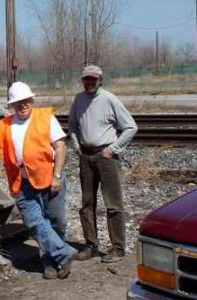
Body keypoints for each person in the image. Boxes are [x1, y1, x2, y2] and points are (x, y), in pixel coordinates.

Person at [0, 82, 77, 280]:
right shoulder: (5, 124)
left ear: (31, 101)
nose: (23, 105)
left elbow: (60, 147)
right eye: (18, 103)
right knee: (34, 222)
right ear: (11, 105)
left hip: (50, 177)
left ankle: (52, 262)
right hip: (22, 182)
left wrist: (57, 176)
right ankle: (64, 254)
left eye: (26, 101)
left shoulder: (45, 118)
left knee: (56, 222)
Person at [68, 65, 138, 263]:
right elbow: (72, 125)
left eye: (93, 79)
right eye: (86, 79)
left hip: (106, 158)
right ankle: (91, 246)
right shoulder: (78, 99)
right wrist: (76, 144)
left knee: (113, 205)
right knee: (87, 204)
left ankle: (117, 248)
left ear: (100, 80)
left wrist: (113, 149)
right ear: (82, 80)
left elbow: (131, 127)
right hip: (86, 158)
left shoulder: (109, 99)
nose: (89, 82)